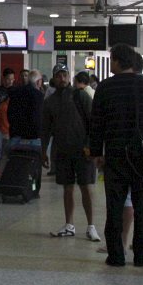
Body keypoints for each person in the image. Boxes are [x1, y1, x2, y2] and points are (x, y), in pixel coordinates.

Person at [90, 43, 143, 267]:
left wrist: (96, 152)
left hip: (115, 156)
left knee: (114, 208)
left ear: (116, 61)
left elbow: (97, 124)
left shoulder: (105, 88)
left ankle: (116, 255)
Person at [41, 65, 100, 242]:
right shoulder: (50, 101)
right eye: (58, 75)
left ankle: (91, 226)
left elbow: (93, 121)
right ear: (53, 78)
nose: (62, 78)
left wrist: (92, 147)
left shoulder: (80, 95)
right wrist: (43, 151)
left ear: (69, 76)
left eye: (64, 75)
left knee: (86, 187)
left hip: (83, 150)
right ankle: (69, 225)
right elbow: (45, 129)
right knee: (67, 187)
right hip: (63, 150)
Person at [7, 68, 46, 196]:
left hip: (15, 136)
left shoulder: (15, 93)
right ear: (39, 82)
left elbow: (10, 114)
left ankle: (15, 186)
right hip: (33, 139)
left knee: (16, 164)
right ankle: (33, 189)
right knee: (34, 167)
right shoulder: (38, 95)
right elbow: (37, 118)